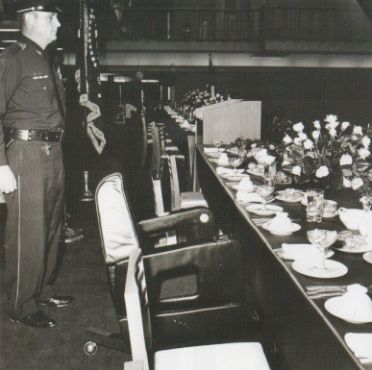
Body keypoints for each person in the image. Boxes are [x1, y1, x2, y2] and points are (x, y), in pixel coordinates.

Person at [0, 0, 73, 329]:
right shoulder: (13, 58)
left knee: (52, 227)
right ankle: (21, 302)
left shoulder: (47, 58)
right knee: (27, 232)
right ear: (29, 17)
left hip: (52, 150)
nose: (57, 23)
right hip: (26, 153)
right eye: (51, 17)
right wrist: (1, 165)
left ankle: (42, 290)